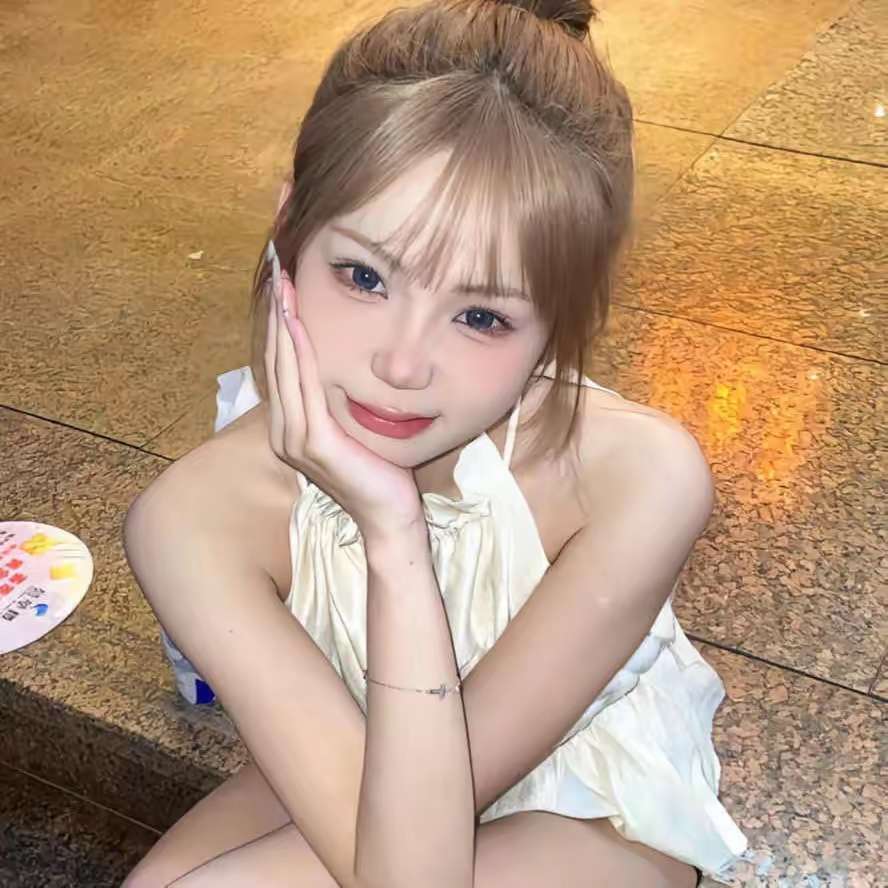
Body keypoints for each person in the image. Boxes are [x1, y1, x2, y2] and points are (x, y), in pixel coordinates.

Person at [121, 1, 747, 885]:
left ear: (559, 325)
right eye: (364, 275)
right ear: (289, 229)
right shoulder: (191, 517)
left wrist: (393, 532)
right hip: (367, 755)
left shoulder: (638, 477)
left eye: (482, 315)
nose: (402, 363)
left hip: (588, 784)